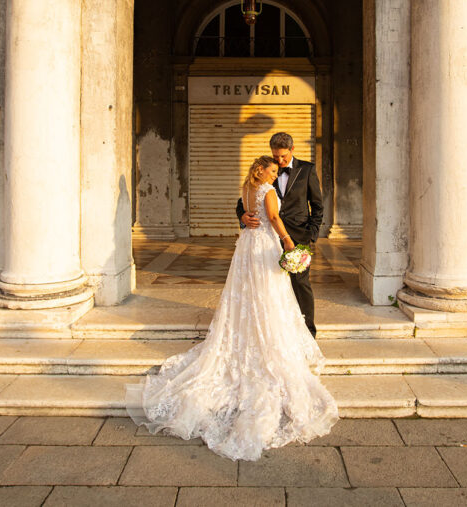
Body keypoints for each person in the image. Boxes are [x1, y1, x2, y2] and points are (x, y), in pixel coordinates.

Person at [126, 156, 338, 461]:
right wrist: (289, 243)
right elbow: (275, 219)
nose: (276, 173)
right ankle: (266, 339)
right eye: (273, 169)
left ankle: (246, 333)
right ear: (264, 170)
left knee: (247, 294)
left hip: (247, 245)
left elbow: (247, 214)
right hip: (264, 245)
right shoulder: (266, 190)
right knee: (268, 295)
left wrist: (249, 222)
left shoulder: (245, 188)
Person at [236, 132, 324, 337]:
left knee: (300, 284)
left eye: (283, 156)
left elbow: (318, 205)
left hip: (297, 236)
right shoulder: (266, 171)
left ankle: (308, 332)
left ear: (292, 150)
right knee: (271, 285)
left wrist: (311, 234)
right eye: (276, 157)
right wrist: (243, 217)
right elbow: (242, 203)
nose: (280, 161)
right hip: (268, 238)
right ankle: (277, 331)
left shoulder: (307, 170)